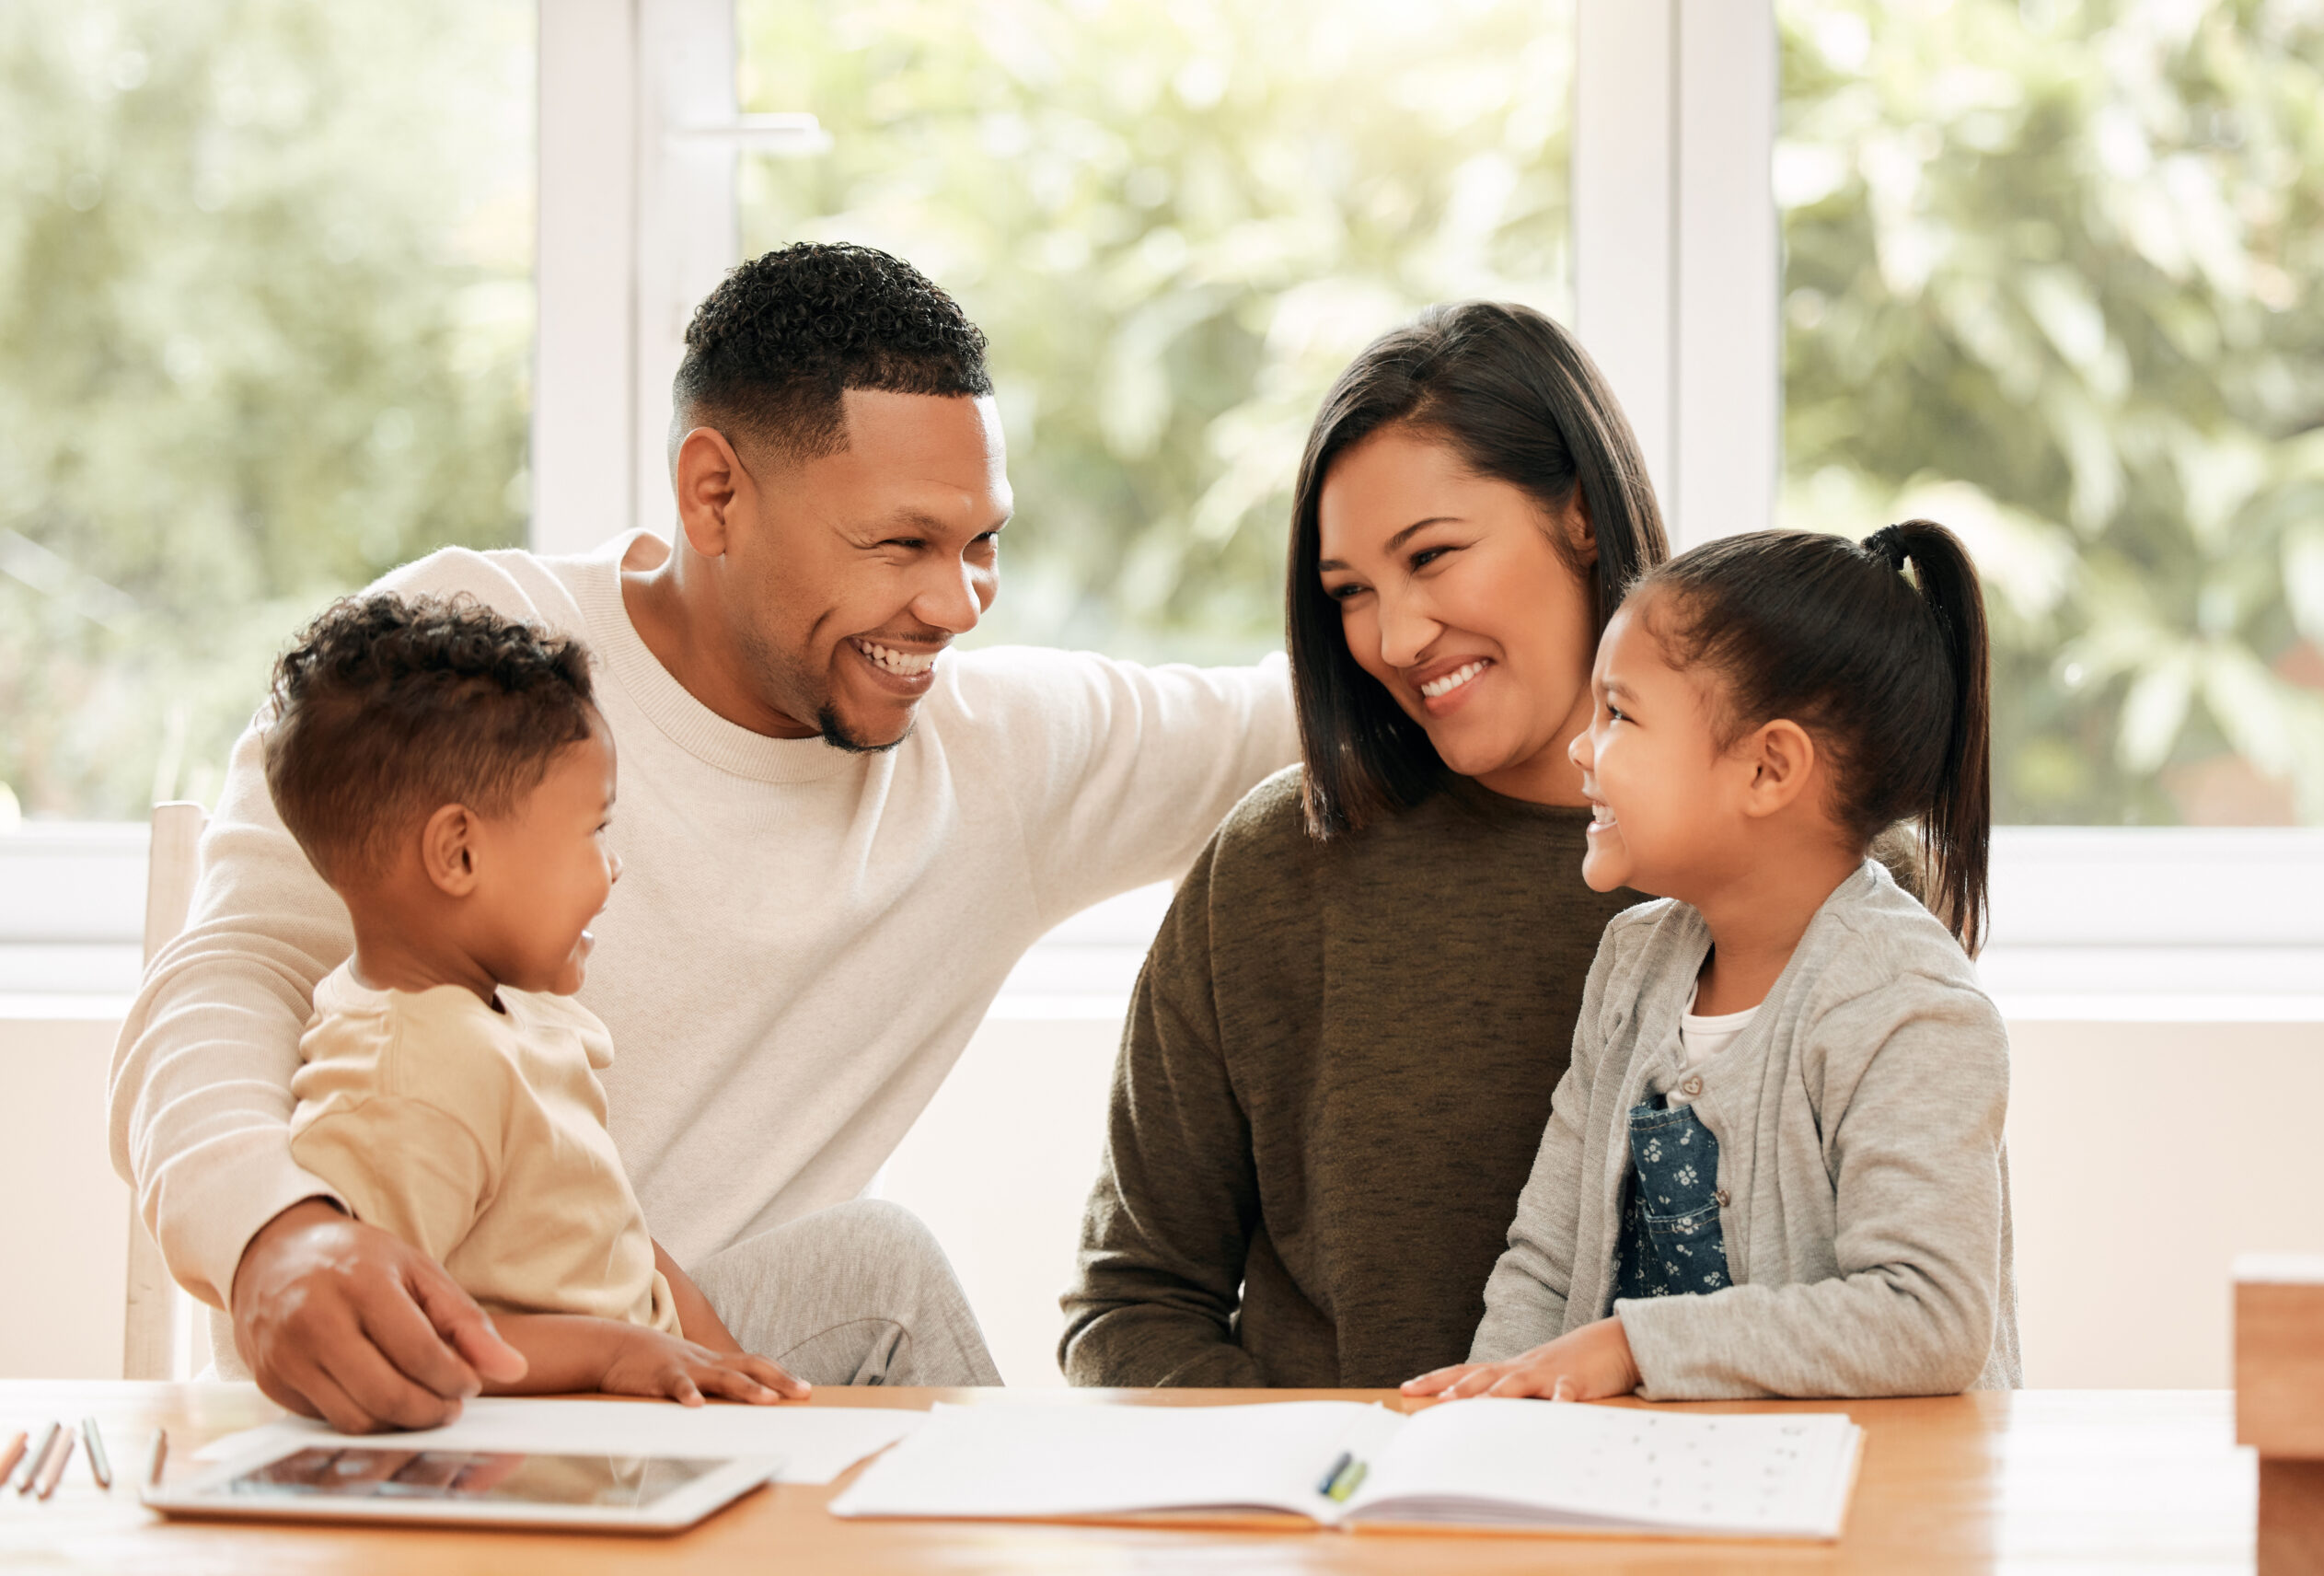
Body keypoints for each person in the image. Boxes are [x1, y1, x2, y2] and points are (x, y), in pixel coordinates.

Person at [110, 243, 1296, 1432]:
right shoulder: (468, 665)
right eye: (901, 546)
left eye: (981, 543)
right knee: (877, 1268)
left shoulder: (998, 757)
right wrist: (274, 1235)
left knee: (872, 1273)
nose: (955, 605)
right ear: (712, 494)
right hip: (405, 1400)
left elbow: (1287, 719)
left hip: (681, 1387)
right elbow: (228, 971)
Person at [1058, 301, 1672, 1388]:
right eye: (1349, 593)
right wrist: (1314, 1491)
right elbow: (1132, 1302)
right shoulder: (1272, 867)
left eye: (1432, 555)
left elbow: (1896, 1316)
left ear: (1581, 515)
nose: (1392, 639)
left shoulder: (1816, 864)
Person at [266, 594, 995, 1404]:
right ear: (459, 853)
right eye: (592, 831)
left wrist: (720, 1358)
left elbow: (620, 1234)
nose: (611, 867)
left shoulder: (494, 1012)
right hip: (564, 1427)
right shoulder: (408, 1075)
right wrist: (613, 1354)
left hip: (642, 1366)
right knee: (884, 1275)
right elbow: (385, 1333)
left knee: (880, 1255)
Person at [1403, 521, 2021, 1404]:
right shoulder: (1632, 962)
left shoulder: (1909, 1005)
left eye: (1619, 713)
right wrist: (1489, 1408)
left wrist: (1629, 1347)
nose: (1583, 747)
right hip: (1663, 1488)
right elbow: (1545, 1260)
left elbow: (1928, 1319)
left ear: (1768, 768)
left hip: (1869, 1505)